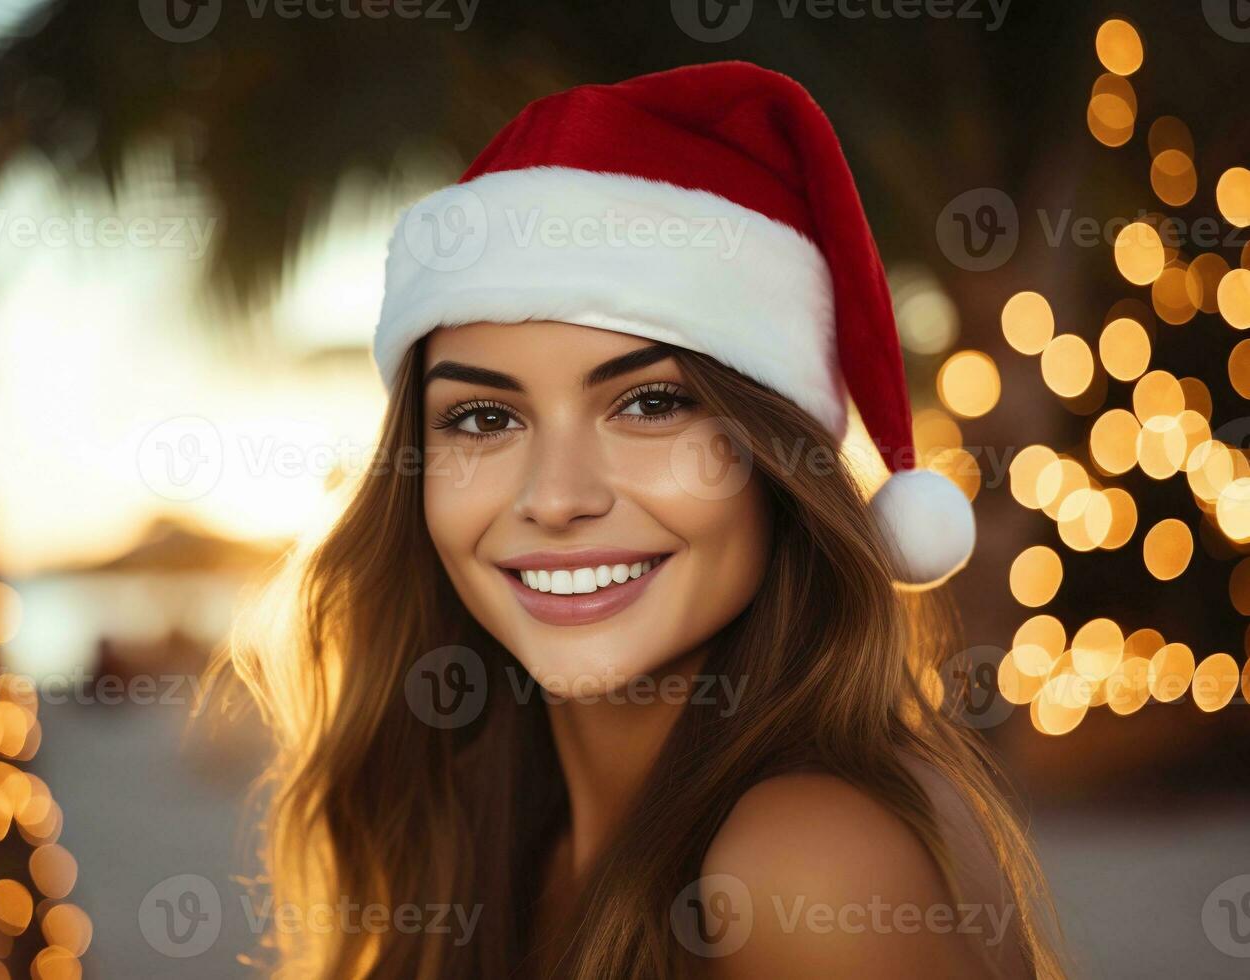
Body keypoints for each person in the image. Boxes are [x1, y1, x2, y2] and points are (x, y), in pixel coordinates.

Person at [228, 62, 1066, 978]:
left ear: (773, 457)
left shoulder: (808, 862)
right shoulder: (482, 831)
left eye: (651, 405)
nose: (556, 497)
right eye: (484, 418)